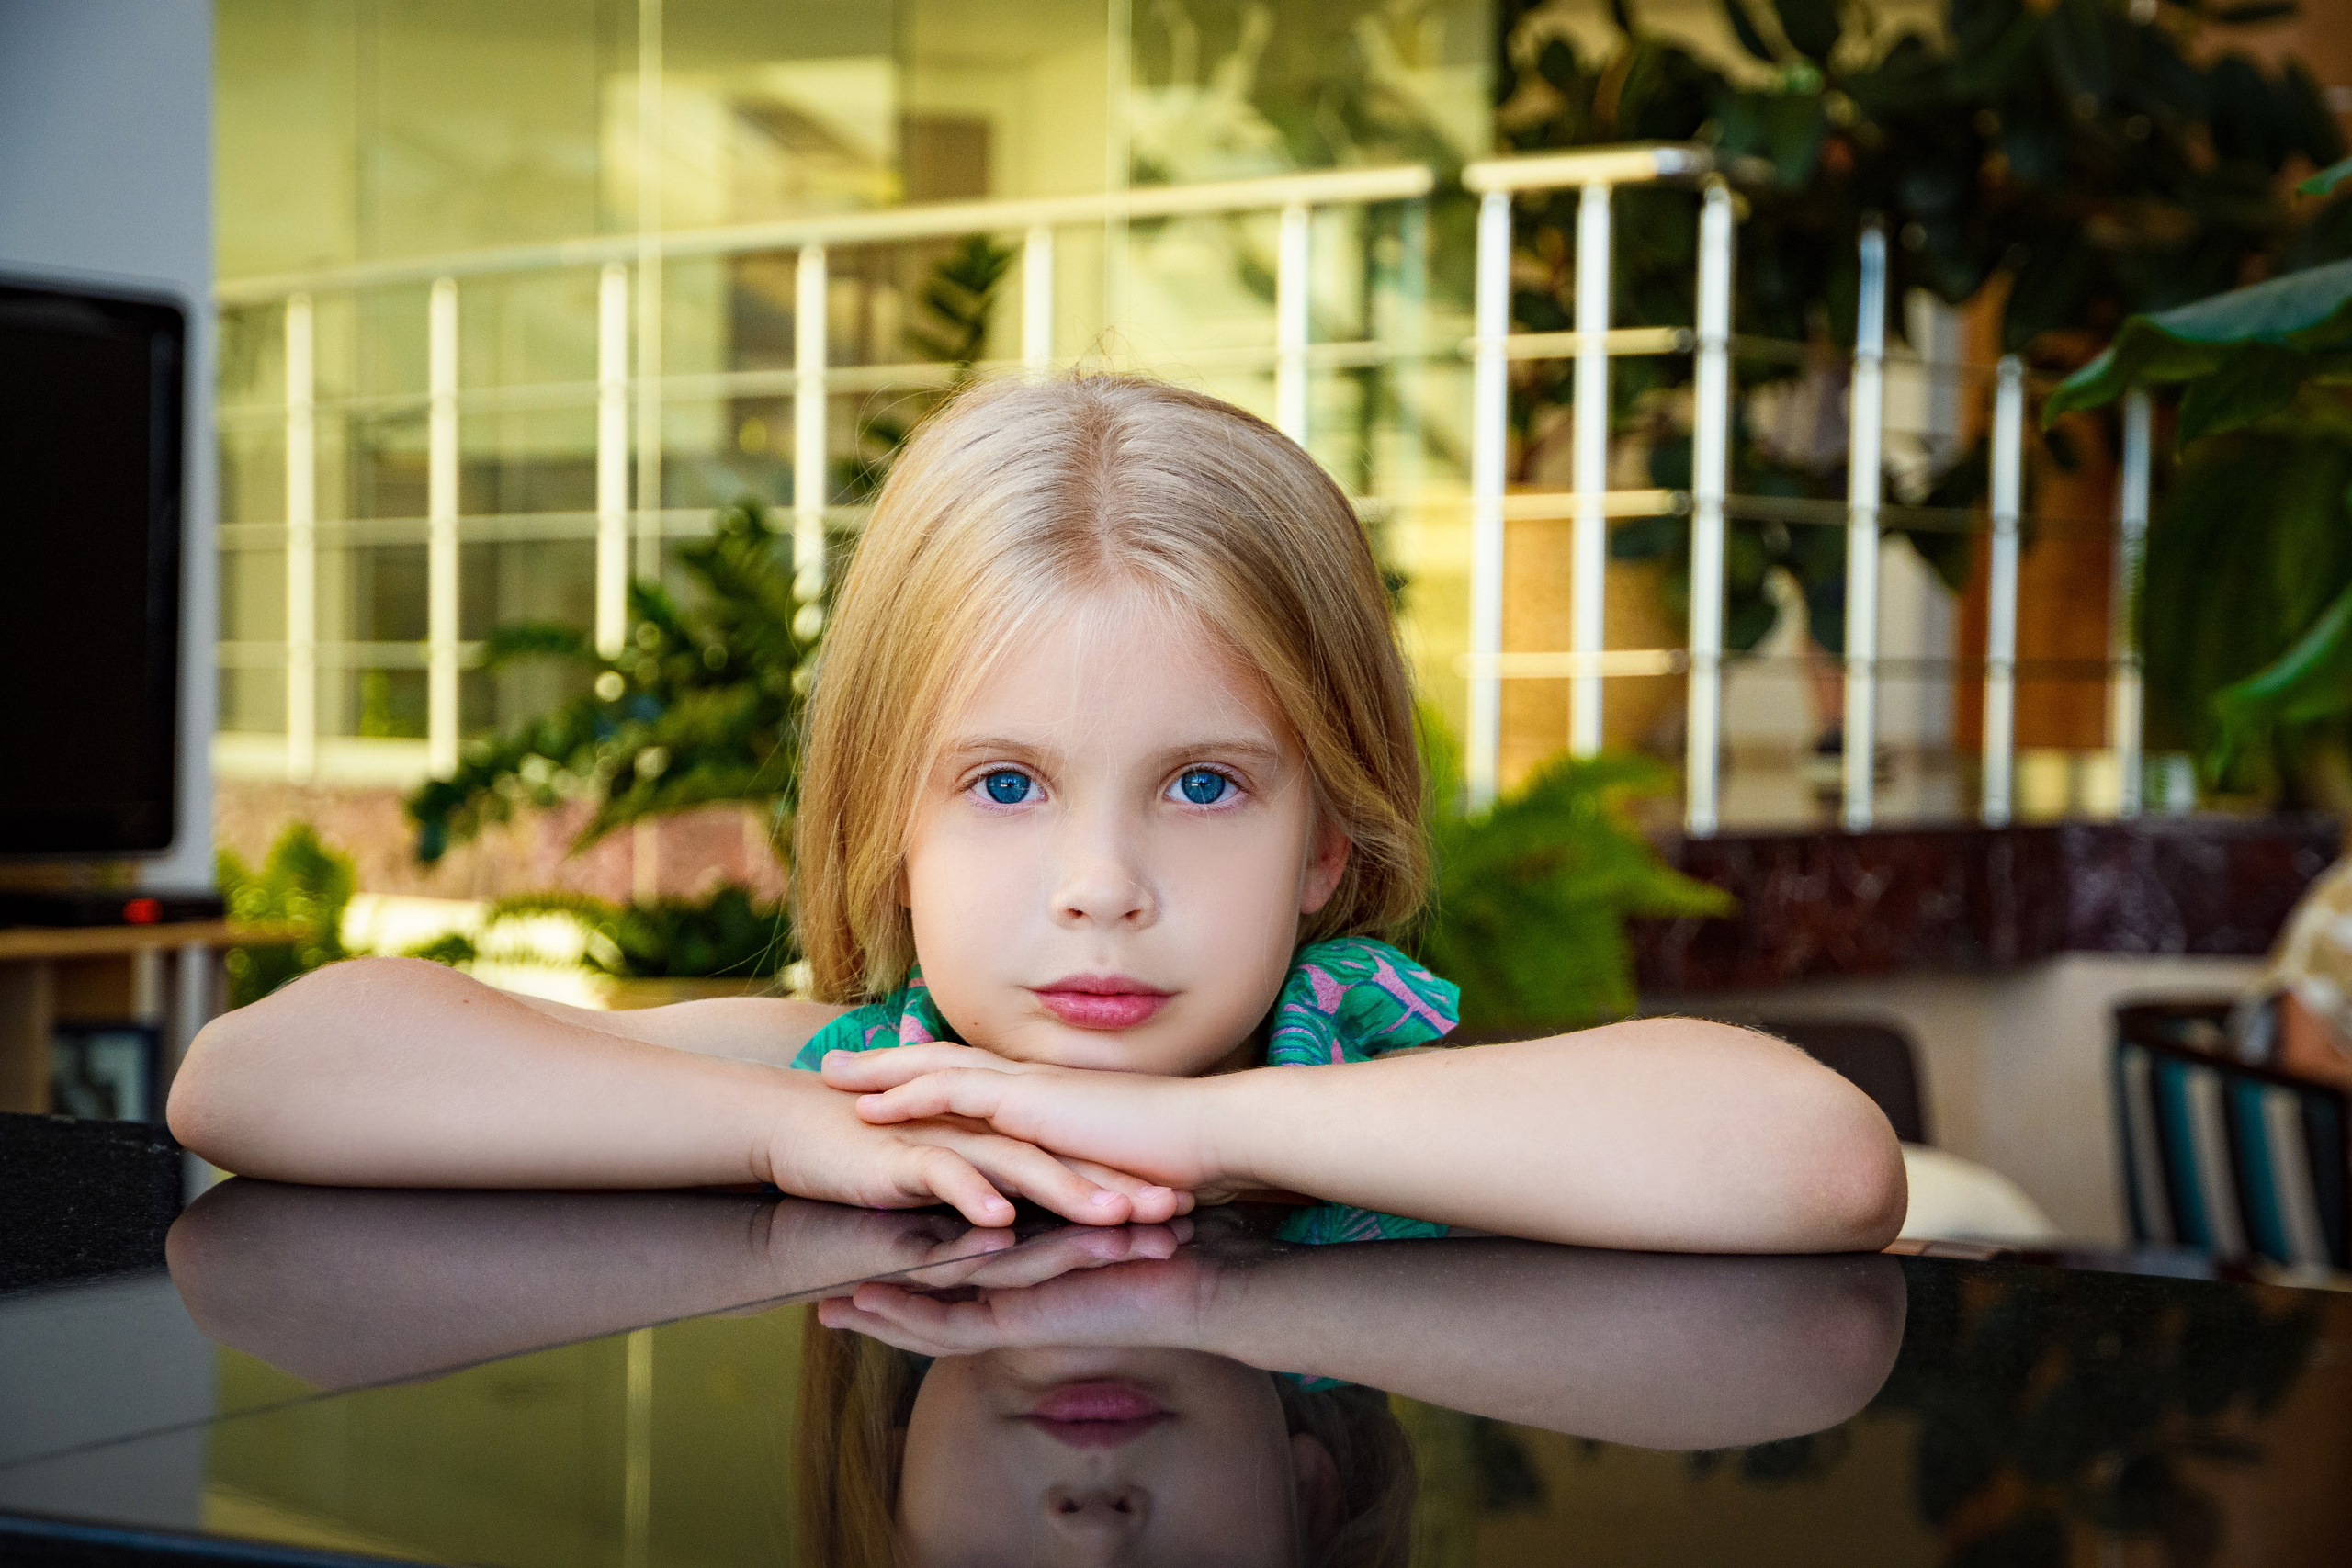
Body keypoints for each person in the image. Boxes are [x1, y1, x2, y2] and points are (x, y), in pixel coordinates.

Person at [167, 376, 1905, 1253]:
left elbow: (1822, 1162)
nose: (1101, 887)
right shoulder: (861, 1080)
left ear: (1327, 845)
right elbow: (256, 1075)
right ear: (889, 830)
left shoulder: (1388, 1096)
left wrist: (1215, 1134)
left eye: (1204, 786)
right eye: (1004, 786)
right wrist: (780, 1132)